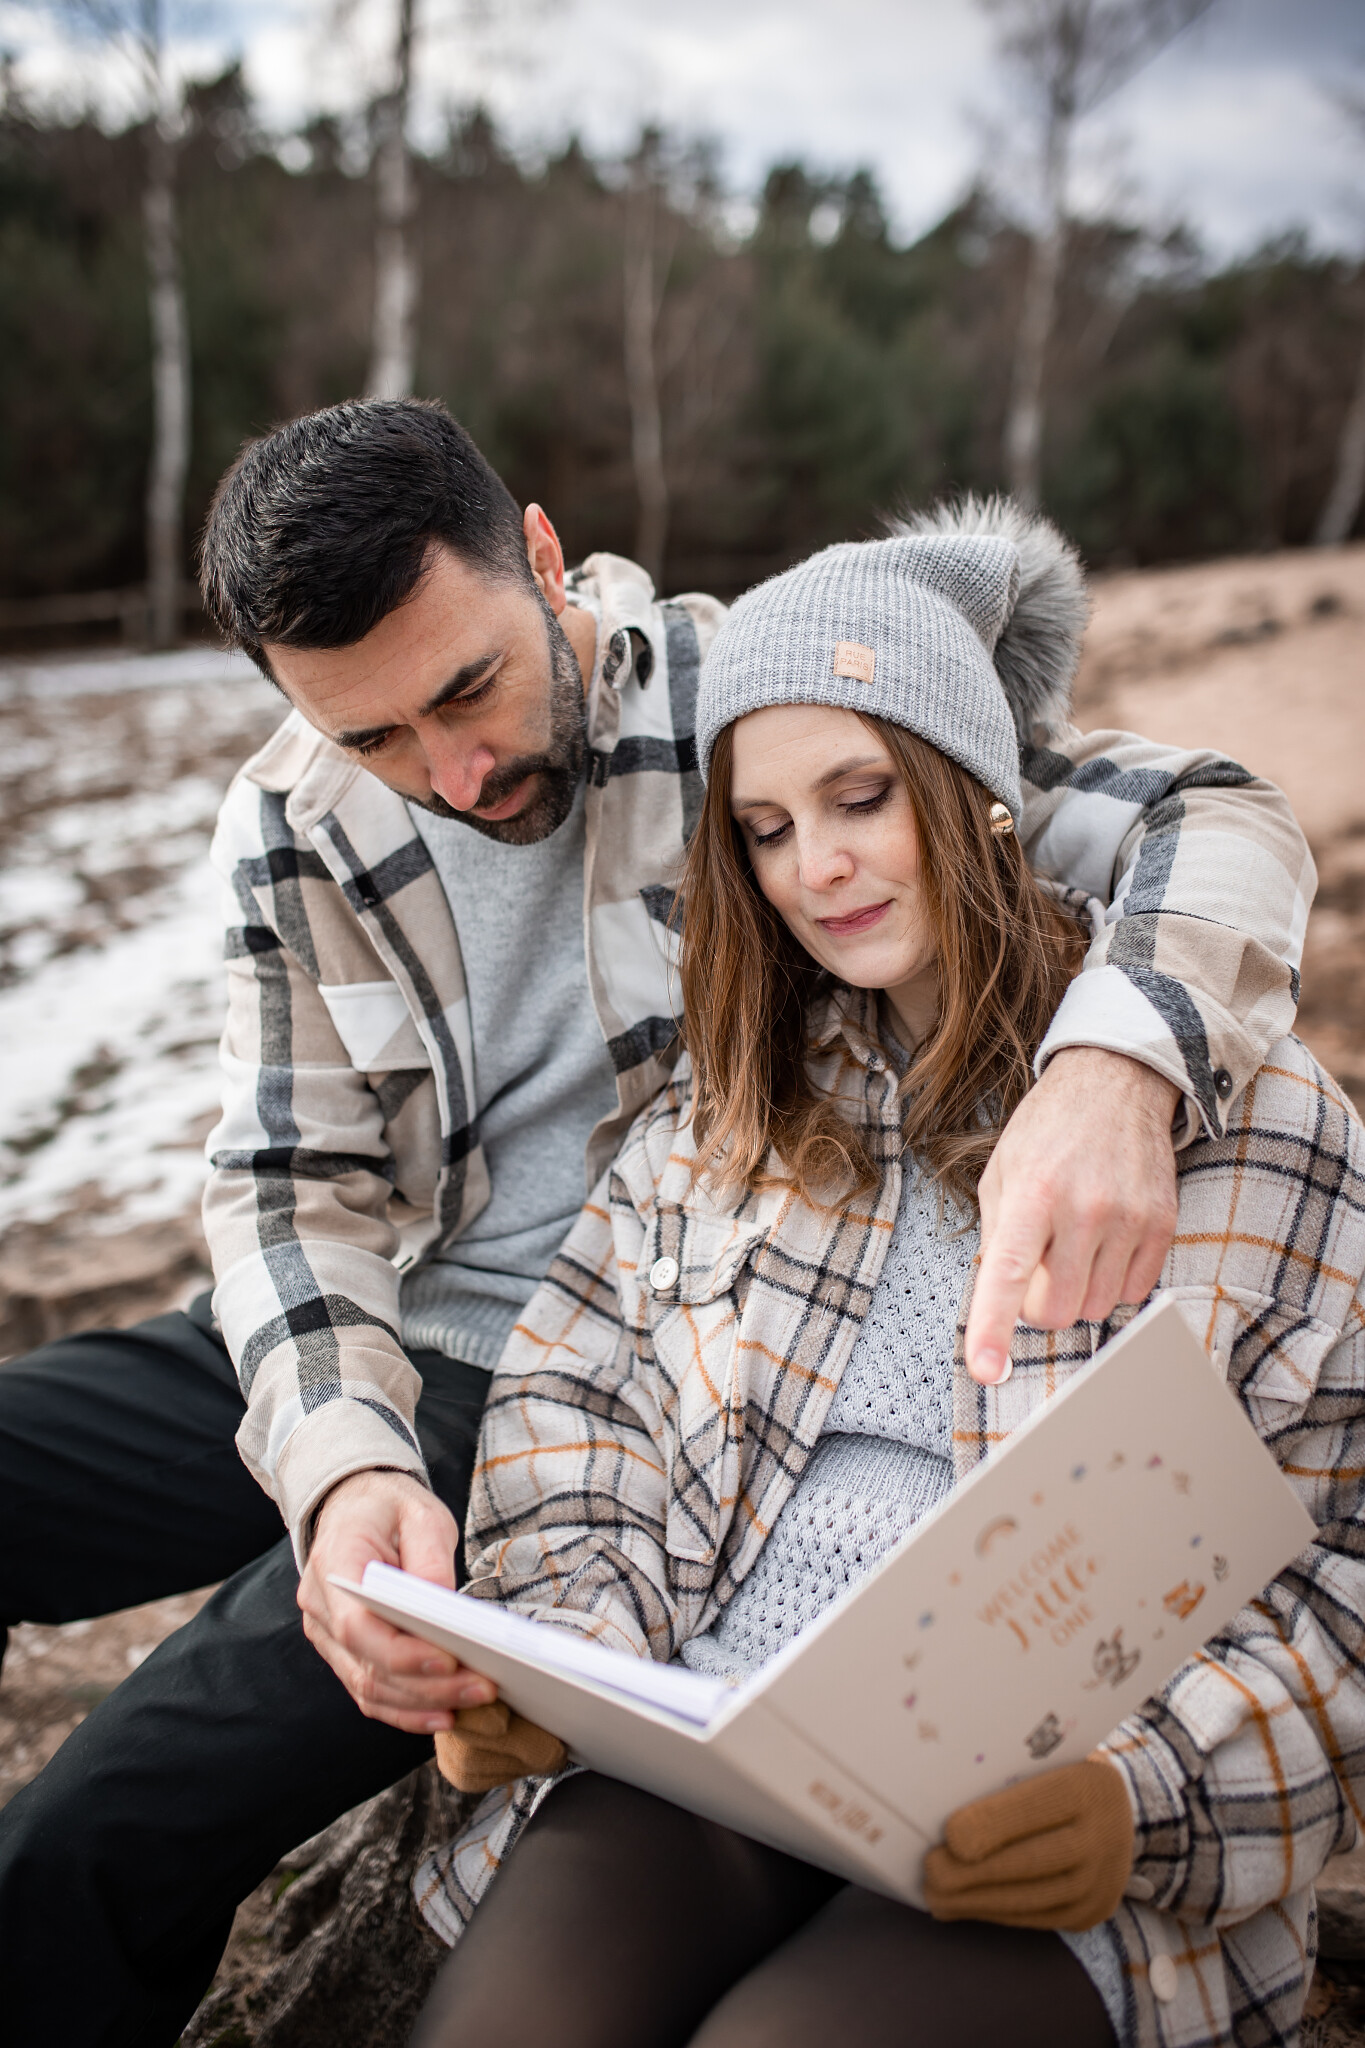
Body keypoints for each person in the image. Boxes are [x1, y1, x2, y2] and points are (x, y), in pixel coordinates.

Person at [0, 401, 1313, 2046]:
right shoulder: (292, 821)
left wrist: (1120, 1069)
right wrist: (341, 1463)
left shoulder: (763, 699)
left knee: (92, 1833)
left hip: (595, 1370)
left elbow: (1215, 816)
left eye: (466, 688)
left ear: (543, 560)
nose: (450, 775)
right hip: (365, 1328)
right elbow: (289, 1186)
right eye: (376, 738)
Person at [408, 517, 1365, 2048]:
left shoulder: (1250, 1120)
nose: (817, 867)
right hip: (722, 1736)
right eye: (767, 830)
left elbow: (1344, 1553)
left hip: (1057, 1791)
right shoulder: (724, 1109)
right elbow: (569, 1404)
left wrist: (1154, 1798)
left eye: (860, 798)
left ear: (977, 795)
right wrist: (567, 1649)